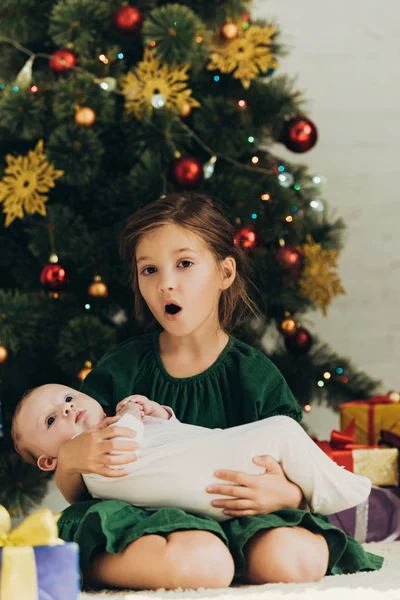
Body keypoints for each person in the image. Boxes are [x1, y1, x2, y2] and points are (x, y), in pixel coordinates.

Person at [44, 193, 383, 590]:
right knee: (194, 561)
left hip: (238, 515)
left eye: (184, 264)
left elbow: (296, 464)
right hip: (142, 519)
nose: (166, 283)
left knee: (291, 557)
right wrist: (68, 462)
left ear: (225, 274)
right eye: (149, 270)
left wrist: (286, 495)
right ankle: (100, 566)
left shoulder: (252, 374)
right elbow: (82, 491)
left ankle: (225, 556)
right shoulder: (121, 370)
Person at [12, 384, 371, 520]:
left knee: (277, 439)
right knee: (283, 431)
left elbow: (179, 443)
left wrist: (159, 413)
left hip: (208, 475)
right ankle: (349, 498)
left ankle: (332, 495)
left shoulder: (122, 429)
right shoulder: (93, 454)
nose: (67, 409)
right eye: (50, 420)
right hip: (206, 485)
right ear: (49, 460)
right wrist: (133, 415)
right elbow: (126, 442)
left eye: (68, 398)